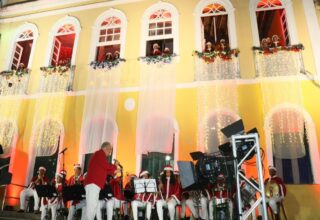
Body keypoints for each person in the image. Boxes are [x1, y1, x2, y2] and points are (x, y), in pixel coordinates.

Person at [85, 142, 117, 220]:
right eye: (110, 150)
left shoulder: (99, 156)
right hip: (93, 184)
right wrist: (115, 166)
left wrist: (115, 170)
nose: (110, 153)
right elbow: (107, 166)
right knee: (92, 207)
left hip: (94, 184)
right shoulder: (99, 153)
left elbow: (105, 171)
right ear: (105, 148)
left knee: (92, 207)